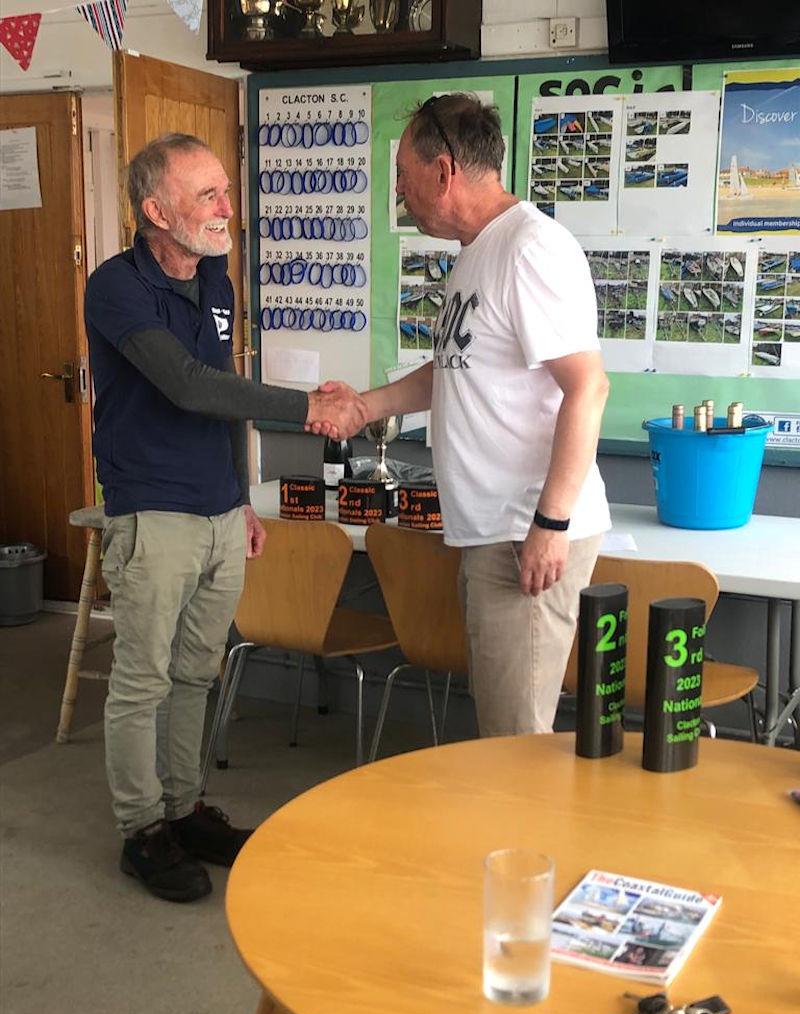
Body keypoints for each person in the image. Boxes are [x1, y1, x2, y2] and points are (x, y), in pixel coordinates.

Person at [85, 132, 365, 902]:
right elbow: (186, 385)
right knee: (141, 680)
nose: (226, 209)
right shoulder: (115, 288)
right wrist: (309, 407)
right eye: (206, 194)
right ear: (155, 209)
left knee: (195, 672)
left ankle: (183, 808)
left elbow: (224, 393)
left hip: (217, 513)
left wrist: (242, 495)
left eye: (223, 192)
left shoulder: (218, 281)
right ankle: (142, 829)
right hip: (154, 513)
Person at [351, 93, 611, 737]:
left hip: (526, 531)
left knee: (515, 743)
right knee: (502, 733)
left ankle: (523, 842)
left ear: (444, 171)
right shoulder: (479, 251)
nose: (401, 194)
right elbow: (455, 371)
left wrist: (550, 522)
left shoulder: (530, 248)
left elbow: (589, 388)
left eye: (405, 177)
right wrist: (366, 405)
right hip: (491, 531)